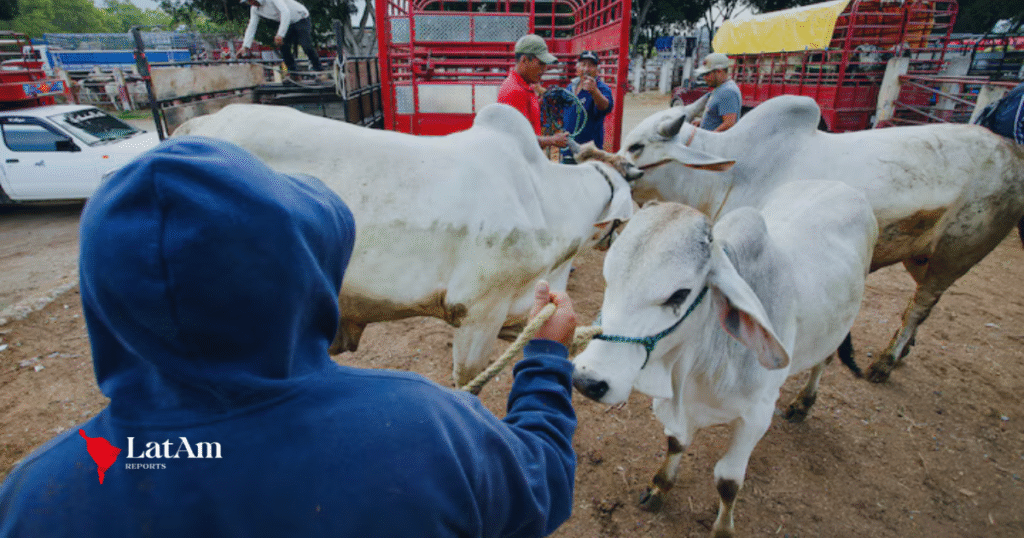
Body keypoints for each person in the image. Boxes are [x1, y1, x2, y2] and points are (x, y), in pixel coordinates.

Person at [0, 136, 580, 537]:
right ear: (301, 276)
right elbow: (544, 481)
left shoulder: (36, 495)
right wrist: (547, 355)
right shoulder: (425, 429)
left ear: (102, 299)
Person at [498, 34, 570, 149]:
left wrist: (540, 102)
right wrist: (552, 140)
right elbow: (519, 139)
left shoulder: (525, 87)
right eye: (541, 63)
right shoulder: (515, 91)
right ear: (524, 60)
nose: (545, 68)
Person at [237, 0, 323, 74]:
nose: (252, 3)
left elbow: (285, 12)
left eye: (252, 1)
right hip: (286, 22)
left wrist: (280, 34)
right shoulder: (255, 9)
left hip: (300, 18)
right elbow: (252, 26)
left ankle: (319, 70)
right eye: (249, 2)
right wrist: (245, 46)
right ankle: (293, 72)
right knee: (283, 46)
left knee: (306, 45)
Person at [560, 50, 614, 163]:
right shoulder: (571, 86)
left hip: (589, 153)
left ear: (597, 69)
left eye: (591, 65)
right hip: (567, 149)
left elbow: (606, 107)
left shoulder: (601, 88)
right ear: (577, 67)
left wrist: (594, 91)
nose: (586, 69)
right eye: (583, 64)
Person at [693, 52, 741, 131]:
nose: (704, 78)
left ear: (719, 72)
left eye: (707, 74)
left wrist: (710, 138)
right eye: (703, 75)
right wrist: (701, 122)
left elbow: (729, 124)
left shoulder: (727, 92)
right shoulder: (720, 88)